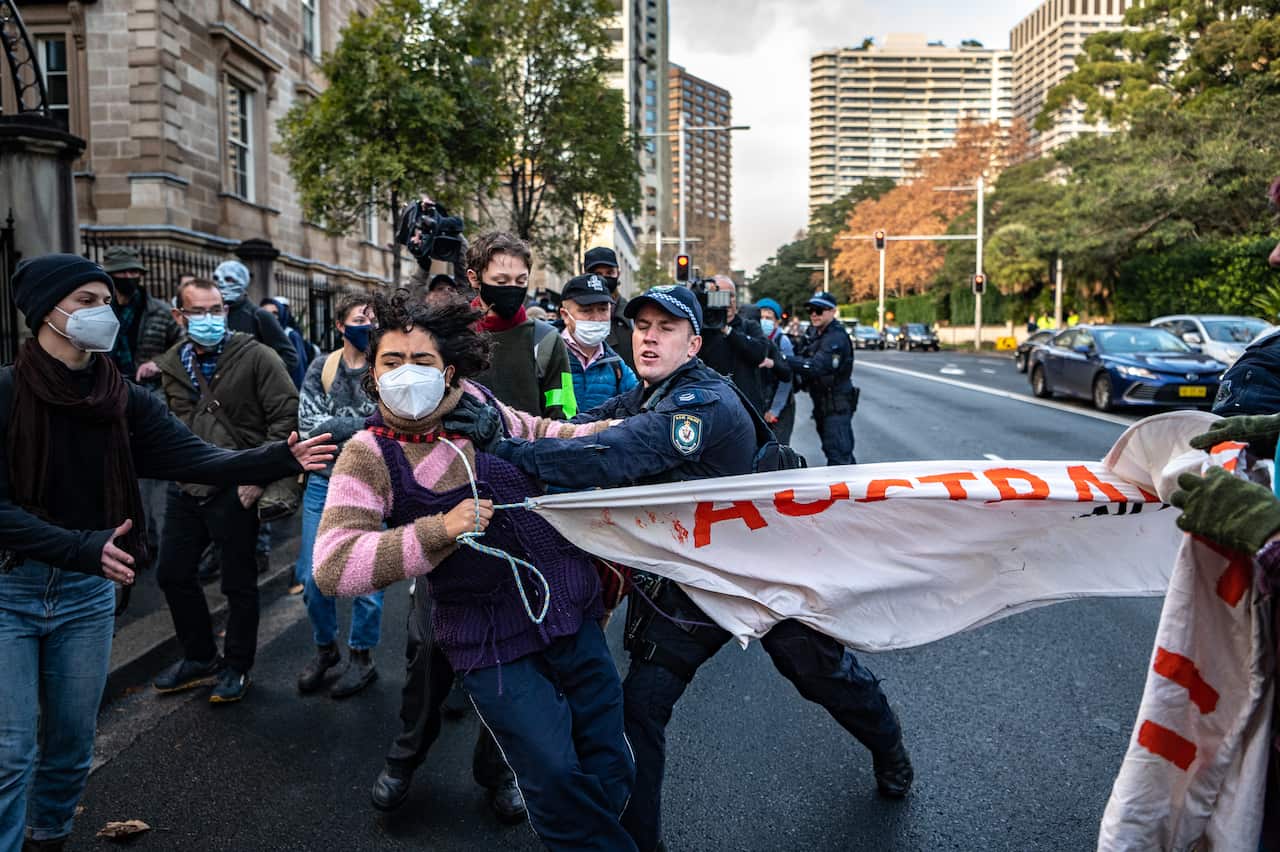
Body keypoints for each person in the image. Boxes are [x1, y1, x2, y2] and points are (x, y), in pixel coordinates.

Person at [460, 285, 912, 852]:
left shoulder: (703, 403)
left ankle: (889, 747)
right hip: (693, 584)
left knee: (822, 677)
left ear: (694, 343)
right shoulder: (641, 397)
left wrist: (506, 453)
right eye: (642, 325)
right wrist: (491, 425)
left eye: (666, 327)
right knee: (640, 710)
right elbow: (574, 432)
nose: (648, 335)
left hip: (763, 573)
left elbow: (617, 455)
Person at [0, 254, 333, 852]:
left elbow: (197, 458)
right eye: (86, 302)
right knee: (10, 752)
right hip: (12, 591)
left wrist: (282, 457)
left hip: (86, 597)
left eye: (107, 300)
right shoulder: (4, 394)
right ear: (44, 313)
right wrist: (78, 546)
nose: (103, 312)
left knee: (72, 747)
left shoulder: (121, 399)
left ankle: (48, 835)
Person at [313, 293, 636, 851]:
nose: (407, 374)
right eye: (393, 362)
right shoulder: (367, 454)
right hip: (488, 639)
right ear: (374, 372)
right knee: (554, 774)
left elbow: (549, 435)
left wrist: (628, 434)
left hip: (569, 609)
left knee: (608, 759)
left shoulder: (480, 406)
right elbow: (333, 566)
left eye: (423, 362)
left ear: (450, 369)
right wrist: (438, 530)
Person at [151, 277, 301, 704]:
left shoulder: (256, 356)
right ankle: (200, 658)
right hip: (186, 487)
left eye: (216, 310)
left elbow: (286, 418)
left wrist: (258, 478)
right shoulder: (172, 366)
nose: (209, 319)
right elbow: (167, 425)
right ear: (180, 317)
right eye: (198, 312)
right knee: (173, 574)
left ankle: (237, 666)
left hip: (236, 487)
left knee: (238, 583)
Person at [293, 295, 384, 699]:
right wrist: (361, 424)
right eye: (360, 318)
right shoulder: (322, 367)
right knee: (313, 576)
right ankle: (325, 648)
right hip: (323, 483)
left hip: (371, 483)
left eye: (373, 318)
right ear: (340, 326)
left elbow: (388, 423)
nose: (368, 324)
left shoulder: (387, 365)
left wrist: (348, 425)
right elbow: (310, 425)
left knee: (366, 576)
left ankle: (362, 656)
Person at [99, 247, 183, 559]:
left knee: (152, 471)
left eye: (135, 272)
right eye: (123, 273)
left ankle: (154, 538)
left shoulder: (159, 311)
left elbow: (182, 346)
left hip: (148, 397)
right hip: (107, 396)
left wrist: (159, 363)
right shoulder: (100, 312)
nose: (130, 278)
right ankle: (126, 536)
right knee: (118, 469)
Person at [468, 232, 578, 420]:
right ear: (474, 278)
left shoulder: (546, 340)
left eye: (521, 281)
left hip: (532, 447)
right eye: (501, 281)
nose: (512, 288)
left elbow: (564, 415)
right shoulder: (453, 336)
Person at [787, 292, 858, 466]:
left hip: (836, 406)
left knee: (840, 458)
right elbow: (800, 353)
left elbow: (817, 367)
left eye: (819, 310)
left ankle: (848, 493)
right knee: (833, 452)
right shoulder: (815, 333)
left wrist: (782, 359)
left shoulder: (836, 337)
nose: (813, 314)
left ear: (833, 311)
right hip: (822, 404)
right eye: (810, 310)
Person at [696, 275, 779, 416]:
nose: (727, 301)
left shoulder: (749, 326)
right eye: (721, 296)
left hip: (746, 408)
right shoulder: (702, 329)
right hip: (711, 407)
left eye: (731, 296)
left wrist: (727, 331)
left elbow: (759, 354)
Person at [558, 273, 638, 412]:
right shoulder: (547, 357)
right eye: (586, 310)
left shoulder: (617, 366)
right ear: (565, 315)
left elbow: (638, 405)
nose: (596, 318)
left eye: (602, 309)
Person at [212, 260, 299, 375]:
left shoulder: (258, 316)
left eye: (229, 279)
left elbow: (289, 357)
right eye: (216, 278)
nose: (221, 283)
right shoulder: (211, 315)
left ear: (242, 281)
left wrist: (258, 378)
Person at [584, 246, 634, 370]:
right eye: (597, 274)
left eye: (609, 273)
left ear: (618, 273)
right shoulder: (576, 318)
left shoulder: (632, 316)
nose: (604, 278)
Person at [756, 298, 796, 444]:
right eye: (761, 317)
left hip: (779, 406)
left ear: (777, 322)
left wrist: (775, 410)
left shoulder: (782, 341)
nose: (764, 321)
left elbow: (786, 380)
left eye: (769, 318)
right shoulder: (753, 339)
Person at [260, 296, 311, 388]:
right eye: (266, 313)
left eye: (275, 313)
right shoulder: (256, 335)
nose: (270, 316)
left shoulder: (291, 335)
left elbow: (298, 370)